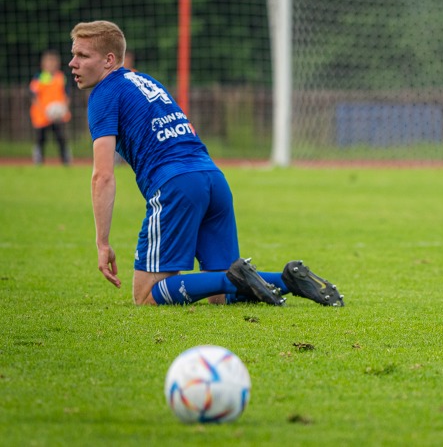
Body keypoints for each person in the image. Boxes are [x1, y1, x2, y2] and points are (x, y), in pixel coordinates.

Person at [69, 20, 344, 307]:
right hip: (213, 179)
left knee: (146, 295)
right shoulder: (145, 81)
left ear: (109, 60)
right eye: (74, 54)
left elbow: (103, 176)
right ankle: (288, 280)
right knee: (219, 297)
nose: (72, 63)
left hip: (177, 185)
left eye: (83, 55)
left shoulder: (104, 93)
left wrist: (102, 243)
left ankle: (234, 279)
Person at [29, 50, 72, 165]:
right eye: (48, 62)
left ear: (58, 63)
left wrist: (64, 109)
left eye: (53, 62)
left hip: (58, 116)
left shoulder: (61, 77)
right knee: (40, 139)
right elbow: (34, 96)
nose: (51, 64)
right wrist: (43, 110)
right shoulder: (39, 77)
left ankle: (66, 160)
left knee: (61, 138)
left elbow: (67, 95)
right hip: (42, 116)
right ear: (43, 64)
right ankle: (38, 159)